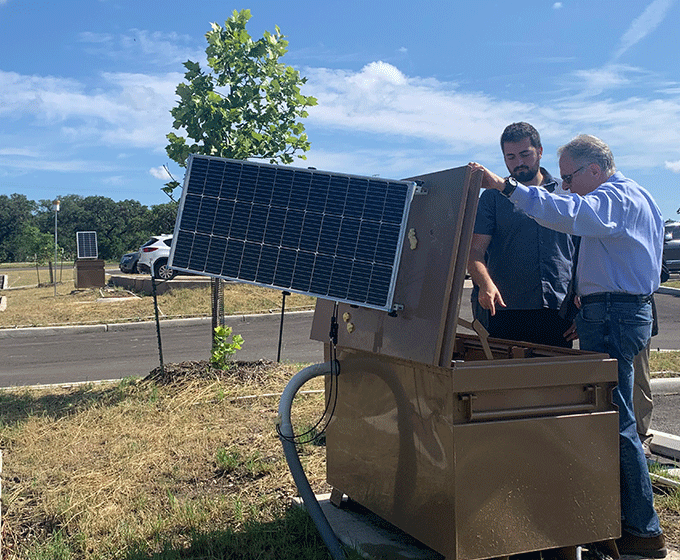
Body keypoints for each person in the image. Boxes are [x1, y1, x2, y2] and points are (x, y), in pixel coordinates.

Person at [469, 134, 666, 558]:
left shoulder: (611, 198)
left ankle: (639, 529)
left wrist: (506, 187)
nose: (567, 185)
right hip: (611, 311)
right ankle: (623, 521)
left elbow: (569, 213)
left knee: (612, 420)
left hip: (612, 314)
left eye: (570, 177)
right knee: (610, 415)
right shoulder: (639, 195)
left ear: (594, 170)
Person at [467, 122, 576, 347]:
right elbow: (474, 251)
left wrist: (582, 308)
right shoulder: (492, 198)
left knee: (558, 380)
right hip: (506, 310)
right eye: (511, 157)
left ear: (540, 151)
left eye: (525, 154)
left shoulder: (567, 192)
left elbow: (585, 254)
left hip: (559, 311)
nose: (519, 163)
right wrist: (485, 284)